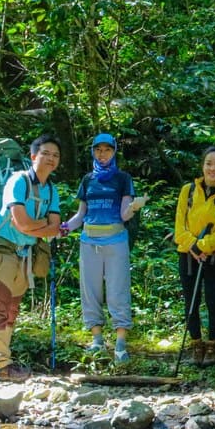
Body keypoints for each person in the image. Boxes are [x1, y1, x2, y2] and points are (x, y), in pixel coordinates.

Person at [60, 133, 146, 363]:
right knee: (90, 290)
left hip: (116, 239)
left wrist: (135, 208)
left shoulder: (123, 178)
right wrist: (65, 227)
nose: (102, 154)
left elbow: (123, 214)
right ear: (93, 152)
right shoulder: (88, 180)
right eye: (98, 150)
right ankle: (97, 341)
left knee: (118, 290)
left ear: (114, 151)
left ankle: (120, 345)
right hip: (89, 240)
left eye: (107, 150)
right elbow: (81, 214)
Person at [0, 135, 63, 382]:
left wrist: (32, 228)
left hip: (25, 254)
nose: (51, 159)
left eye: (55, 155)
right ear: (33, 156)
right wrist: (40, 227)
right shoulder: (17, 181)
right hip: (3, 249)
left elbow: (55, 227)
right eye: (46, 153)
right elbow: (21, 222)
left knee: (12, 308)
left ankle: (4, 363)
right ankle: (1, 366)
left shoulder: (51, 189)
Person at [174, 146, 215, 367]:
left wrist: (203, 247)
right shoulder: (188, 190)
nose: (213, 168)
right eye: (209, 163)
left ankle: (212, 344)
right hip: (187, 255)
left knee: (213, 301)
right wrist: (193, 246)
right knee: (191, 301)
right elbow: (179, 227)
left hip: (214, 256)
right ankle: (196, 344)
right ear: (202, 165)